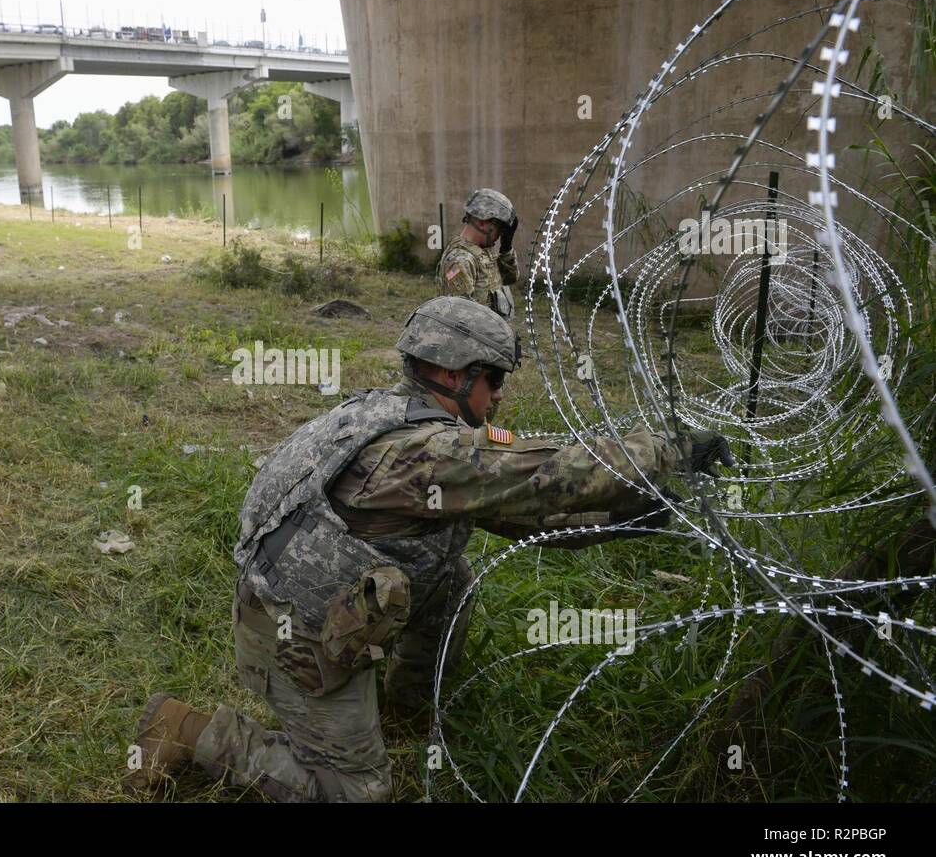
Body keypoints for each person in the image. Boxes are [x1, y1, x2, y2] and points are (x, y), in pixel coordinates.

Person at [131, 296, 734, 802]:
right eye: (492, 379)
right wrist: (674, 451)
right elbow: (552, 473)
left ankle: (405, 704)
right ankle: (191, 732)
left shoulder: (399, 418)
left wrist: (628, 519)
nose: (497, 397)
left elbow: (524, 514)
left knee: (453, 577)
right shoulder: (425, 454)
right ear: (453, 374)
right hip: (296, 637)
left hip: (338, 601)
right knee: (358, 792)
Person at [438, 188, 520, 321]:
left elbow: (510, 279)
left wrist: (506, 248)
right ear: (482, 223)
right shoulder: (460, 261)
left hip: (493, 335)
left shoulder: (484, 251)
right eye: (499, 228)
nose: (500, 235)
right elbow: (459, 317)